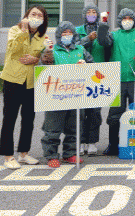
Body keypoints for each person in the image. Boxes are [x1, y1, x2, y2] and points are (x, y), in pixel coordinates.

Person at [0, 5, 49, 169]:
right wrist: (24, 31)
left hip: (31, 82)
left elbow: (41, 56)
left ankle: (24, 153)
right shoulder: (15, 30)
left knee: (28, 119)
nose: (36, 17)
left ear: (43, 20)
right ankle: (8, 156)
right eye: (33, 14)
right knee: (9, 118)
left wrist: (36, 59)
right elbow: (13, 51)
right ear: (27, 15)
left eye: (40, 15)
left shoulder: (42, 36)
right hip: (13, 80)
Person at [98, 8, 135, 155]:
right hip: (117, 80)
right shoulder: (113, 35)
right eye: (124, 19)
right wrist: (103, 25)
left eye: (130, 19)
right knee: (115, 115)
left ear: (134, 21)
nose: (127, 21)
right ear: (120, 21)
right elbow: (103, 41)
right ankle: (113, 144)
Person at [41, 21, 94, 168]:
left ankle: (70, 153)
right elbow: (43, 70)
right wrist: (46, 56)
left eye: (70, 33)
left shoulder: (80, 49)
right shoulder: (52, 50)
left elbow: (93, 66)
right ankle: (51, 155)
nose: (67, 35)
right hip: (56, 95)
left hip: (76, 94)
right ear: (59, 35)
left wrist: (86, 66)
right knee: (53, 127)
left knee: (75, 126)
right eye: (64, 33)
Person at [76, 4, 110, 156]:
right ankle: (80, 141)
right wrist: (87, 39)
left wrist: (102, 31)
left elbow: (108, 44)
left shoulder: (103, 29)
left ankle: (92, 141)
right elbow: (73, 45)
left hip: (98, 73)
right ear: (84, 15)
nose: (91, 14)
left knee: (95, 111)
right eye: (88, 12)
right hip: (81, 73)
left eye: (94, 12)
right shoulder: (77, 30)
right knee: (81, 111)